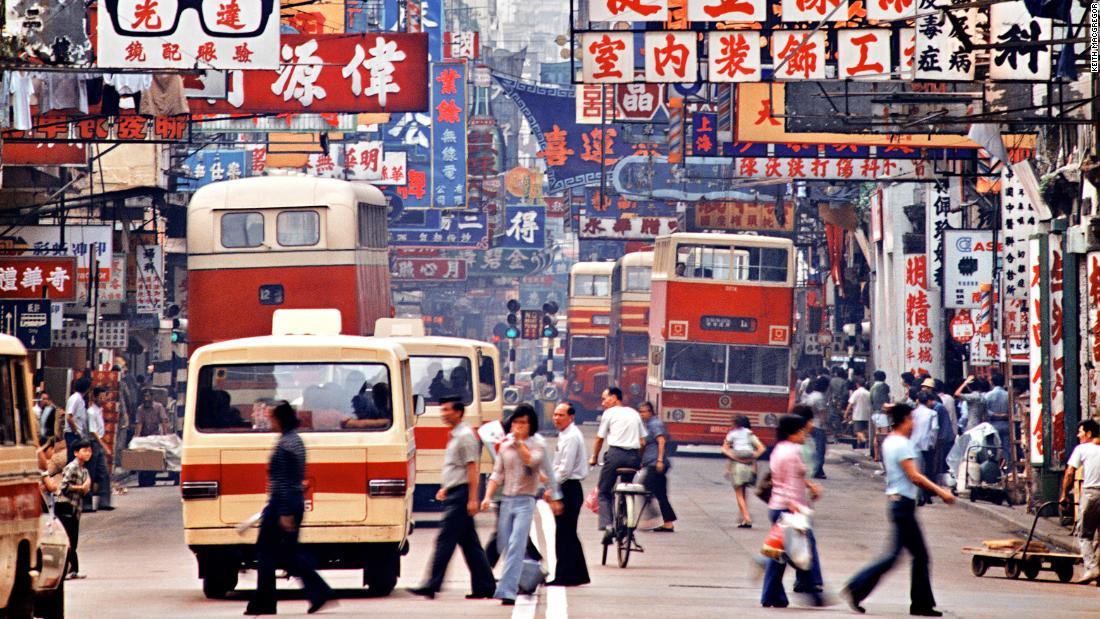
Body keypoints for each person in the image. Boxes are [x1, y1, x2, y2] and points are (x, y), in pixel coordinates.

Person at [841, 403, 956, 617]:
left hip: (897, 503)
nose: (913, 424)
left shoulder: (890, 442)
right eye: (911, 419)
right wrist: (942, 492)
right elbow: (914, 475)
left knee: (907, 555)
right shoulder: (902, 444)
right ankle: (860, 588)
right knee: (914, 556)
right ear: (904, 420)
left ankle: (917, 603)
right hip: (902, 504)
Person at [246, 402, 333, 615]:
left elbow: (283, 480)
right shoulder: (296, 441)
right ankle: (318, 590)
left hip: (282, 504)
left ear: (280, 420)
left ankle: (265, 601)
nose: (270, 422)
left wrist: (284, 513)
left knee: (266, 552)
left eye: (273, 418)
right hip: (291, 501)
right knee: (288, 552)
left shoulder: (285, 445)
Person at [411, 398, 496, 600]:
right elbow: (456, 467)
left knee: (445, 541)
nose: (443, 413)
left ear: (458, 412)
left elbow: (472, 468)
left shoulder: (465, 436)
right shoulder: (456, 434)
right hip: (455, 492)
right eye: (442, 409)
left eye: (447, 410)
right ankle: (485, 586)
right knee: (470, 544)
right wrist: (446, 488)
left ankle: (431, 584)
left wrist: (473, 498)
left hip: (462, 495)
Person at [480, 404, 544, 606]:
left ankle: (507, 591)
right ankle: (533, 572)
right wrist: (487, 496)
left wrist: (519, 443)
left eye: (524, 423)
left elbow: (532, 462)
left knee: (516, 544)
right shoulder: (504, 446)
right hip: (506, 500)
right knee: (507, 545)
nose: (519, 426)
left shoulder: (537, 444)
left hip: (525, 501)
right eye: (516, 422)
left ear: (531, 425)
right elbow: (497, 473)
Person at [761, 414, 825, 608]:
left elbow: (785, 478)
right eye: (801, 431)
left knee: (780, 556)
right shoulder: (790, 453)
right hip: (787, 508)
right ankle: (810, 593)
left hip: (779, 505)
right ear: (792, 433)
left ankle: (774, 596)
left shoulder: (779, 449)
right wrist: (794, 506)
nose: (804, 435)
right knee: (795, 553)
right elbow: (788, 482)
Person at [588, 387, 646, 540]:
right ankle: (627, 521)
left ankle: (608, 525)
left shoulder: (609, 413)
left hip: (615, 456)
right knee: (627, 487)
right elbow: (642, 441)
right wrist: (639, 460)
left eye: (604, 398)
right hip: (633, 457)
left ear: (614, 398)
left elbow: (599, 438)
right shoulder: (634, 413)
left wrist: (594, 457)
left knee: (604, 491)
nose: (603, 402)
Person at [546, 402, 590, 587]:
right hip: (564, 485)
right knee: (568, 533)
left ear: (571, 417)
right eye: (555, 414)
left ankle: (564, 575)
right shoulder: (565, 434)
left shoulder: (572, 436)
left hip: (568, 488)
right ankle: (578, 574)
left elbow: (565, 470)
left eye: (561, 415)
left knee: (564, 533)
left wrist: (551, 487)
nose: (556, 418)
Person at [1059, 419, 1100, 583]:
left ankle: (1091, 567)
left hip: (1091, 494)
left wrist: (1064, 494)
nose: (1078, 435)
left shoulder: (1082, 449)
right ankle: (1097, 567)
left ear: (1089, 434)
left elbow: (1070, 473)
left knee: (1084, 534)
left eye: (1080, 432)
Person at [56, 439, 93, 580]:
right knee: (69, 540)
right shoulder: (72, 467)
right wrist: (80, 488)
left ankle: (73, 570)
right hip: (66, 506)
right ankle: (67, 570)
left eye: (89, 450)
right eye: (84, 450)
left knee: (74, 540)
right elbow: (63, 487)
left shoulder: (84, 469)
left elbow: (87, 487)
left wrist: (86, 487)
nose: (88, 453)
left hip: (75, 507)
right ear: (76, 453)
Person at [638, 401, 676, 533]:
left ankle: (652, 515)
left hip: (657, 464)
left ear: (650, 412)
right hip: (652, 463)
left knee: (644, 487)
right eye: (640, 412)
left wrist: (659, 460)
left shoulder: (655, 423)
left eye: (644, 412)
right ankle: (668, 523)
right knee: (661, 494)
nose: (642, 414)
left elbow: (661, 441)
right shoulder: (647, 425)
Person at [721, 414, 765, 528]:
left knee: (739, 494)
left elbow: (724, 449)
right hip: (749, 466)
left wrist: (734, 457)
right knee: (744, 492)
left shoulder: (732, 434)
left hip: (738, 467)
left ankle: (747, 517)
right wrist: (752, 458)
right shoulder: (749, 433)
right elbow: (761, 448)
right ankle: (744, 519)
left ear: (735, 424)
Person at [84, 387, 114, 512]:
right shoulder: (91, 412)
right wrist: (104, 446)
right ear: (94, 397)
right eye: (100, 397)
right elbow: (93, 432)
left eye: (104, 396)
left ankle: (104, 502)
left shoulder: (99, 410)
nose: (103, 399)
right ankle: (87, 504)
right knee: (90, 474)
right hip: (93, 444)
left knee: (104, 474)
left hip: (98, 444)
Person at [911, 392, 939, 506]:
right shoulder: (932, 413)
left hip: (914, 443)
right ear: (928, 401)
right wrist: (932, 443)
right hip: (927, 445)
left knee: (917, 470)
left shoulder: (913, 413)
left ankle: (918, 496)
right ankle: (926, 495)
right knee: (928, 470)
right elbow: (935, 429)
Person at [800, 377, 830, 479]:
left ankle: (815, 469)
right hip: (818, 425)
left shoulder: (811, 395)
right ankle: (817, 470)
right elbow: (822, 413)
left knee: (813, 448)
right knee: (820, 449)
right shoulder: (820, 397)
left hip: (809, 424)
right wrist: (825, 425)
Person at [984, 374, 1012, 462]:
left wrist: (994, 414)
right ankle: (1009, 468)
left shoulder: (987, 396)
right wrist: (1004, 415)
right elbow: (1013, 410)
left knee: (992, 447)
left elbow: (985, 411)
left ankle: (994, 467)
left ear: (992, 383)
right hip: (1007, 424)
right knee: (1007, 448)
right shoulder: (1009, 395)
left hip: (992, 425)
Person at [64, 376, 92, 463]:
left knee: (78, 460)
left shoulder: (80, 399)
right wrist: (76, 431)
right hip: (73, 434)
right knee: (72, 459)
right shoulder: (75, 398)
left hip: (77, 434)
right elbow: (69, 417)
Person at [846, 377, 873, 449]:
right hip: (867, 415)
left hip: (858, 416)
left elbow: (850, 404)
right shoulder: (869, 393)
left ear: (857, 384)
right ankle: (860, 447)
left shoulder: (856, 393)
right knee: (864, 432)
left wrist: (846, 414)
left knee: (857, 431)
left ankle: (864, 441)